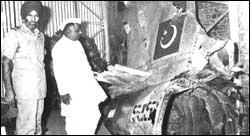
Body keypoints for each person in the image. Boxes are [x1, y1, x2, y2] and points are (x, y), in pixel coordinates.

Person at [52, 18, 107, 134]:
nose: (80, 33)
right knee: (75, 118)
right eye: (77, 31)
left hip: (86, 86)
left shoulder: (77, 43)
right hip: (72, 90)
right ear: (68, 31)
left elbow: (84, 65)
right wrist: (63, 92)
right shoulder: (59, 48)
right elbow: (58, 71)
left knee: (93, 114)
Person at [1, 1, 46, 135]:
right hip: (25, 89)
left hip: (40, 87)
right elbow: (6, 62)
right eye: (30, 15)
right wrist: (8, 88)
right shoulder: (14, 34)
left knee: (37, 124)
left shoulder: (40, 36)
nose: (33, 19)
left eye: (36, 16)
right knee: (27, 126)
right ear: (24, 16)